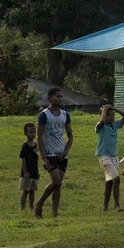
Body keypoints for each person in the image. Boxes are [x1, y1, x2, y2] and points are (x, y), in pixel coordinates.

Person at [34, 88, 74, 218]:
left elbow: (70, 136)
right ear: (50, 98)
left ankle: (55, 214)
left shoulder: (65, 114)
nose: (61, 98)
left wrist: (65, 152)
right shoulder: (44, 115)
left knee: (59, 185)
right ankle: (39, 203)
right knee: (56, 182)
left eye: (62, 96)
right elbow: (39, 136)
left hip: (62, 154)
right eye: (58, 96)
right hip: (50, 153)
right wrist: (43, 157)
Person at [96, 104, 124, 211]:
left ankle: (105, 206)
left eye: (113, 115)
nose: (112, 117)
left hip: (114, 157)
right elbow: (103, 121)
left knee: (109, 183)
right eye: (108, 115)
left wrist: (114, 109)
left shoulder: (115, 125)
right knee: (116, 179)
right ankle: (117, 205)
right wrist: (104, 110)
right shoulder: (100, 126)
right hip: (104, 157)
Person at [19, 122, 40, 211]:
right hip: (27, 173)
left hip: (34, 172)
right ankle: (23, 208)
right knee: (26, 192)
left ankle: (32, 207)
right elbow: (23, 160)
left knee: (32, 192)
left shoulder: (35, 145)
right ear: (25, 133)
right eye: (30, 132)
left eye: (34, 132)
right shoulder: (25, 146)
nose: (33, 134)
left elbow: (36, 160)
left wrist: (38, 172)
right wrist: (25, 172)